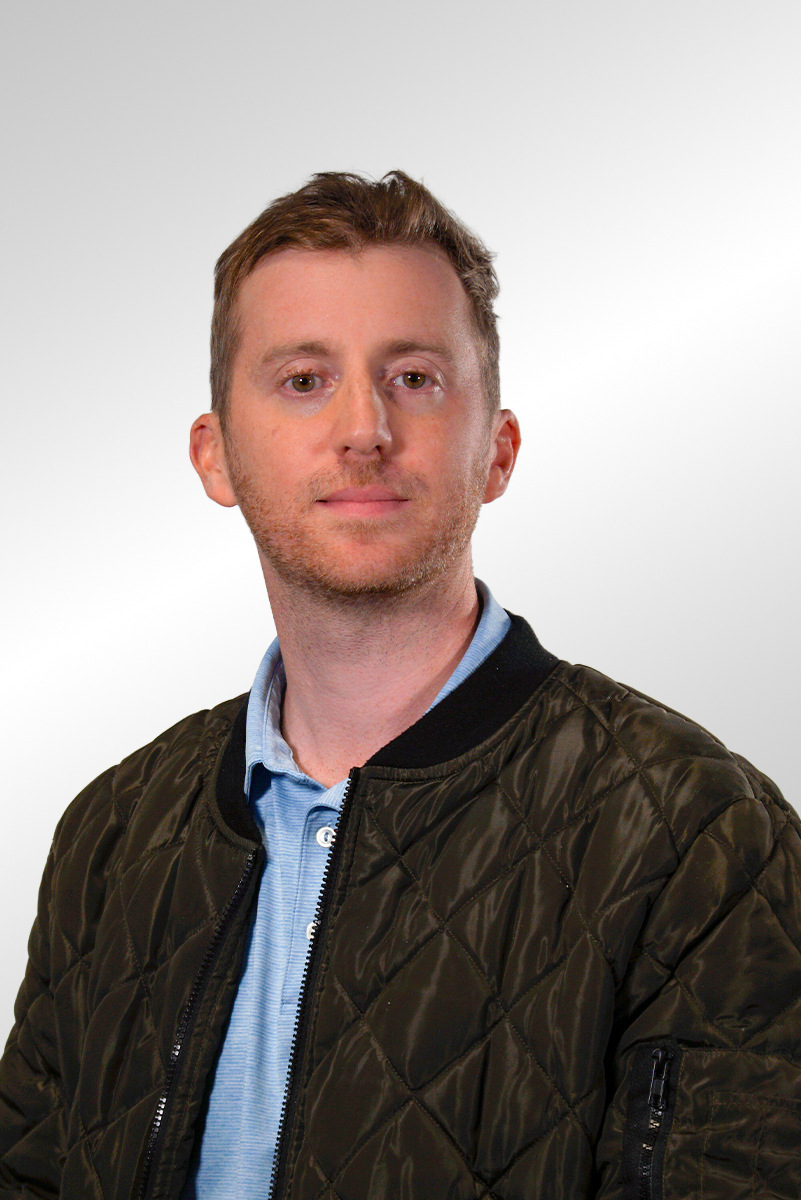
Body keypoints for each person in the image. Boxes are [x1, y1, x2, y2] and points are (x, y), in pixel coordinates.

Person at [1, 170, 799, 1200]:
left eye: (415, 377)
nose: (363, 428)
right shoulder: (111, 837)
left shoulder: (697, 835)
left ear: (497, 449)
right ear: (217, 457)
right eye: (302, 380)